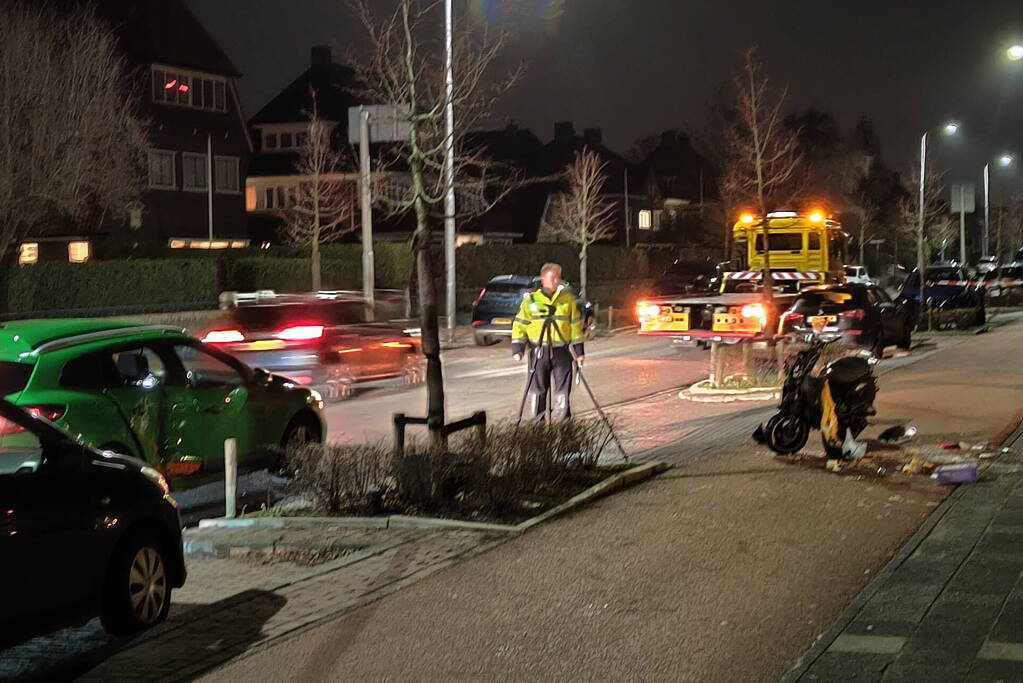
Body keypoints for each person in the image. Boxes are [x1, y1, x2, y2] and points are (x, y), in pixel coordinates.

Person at [511, 263, 585, 422]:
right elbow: (520, 324)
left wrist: (579, 352)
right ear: (543, 279)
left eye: (559, 276)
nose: (557, 281)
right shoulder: (531, 301)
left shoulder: (568, 300)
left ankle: (564, 425)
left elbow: (575, 326)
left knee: (562, 391)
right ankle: (538, 425)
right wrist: (518, 348)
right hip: (539, 351)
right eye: (553, 277)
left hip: (561, 351)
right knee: (538, 390)